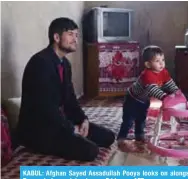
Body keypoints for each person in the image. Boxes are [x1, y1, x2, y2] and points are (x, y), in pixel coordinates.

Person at [17, 17, 115, 161]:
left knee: (108, 137)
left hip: (58, 121)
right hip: (40, 128)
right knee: (90, 151)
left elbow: (70, 99)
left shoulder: (65, 64)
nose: (75, 39)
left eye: (76, 35)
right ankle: (35, 143)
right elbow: (45, 107)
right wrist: (70, 129)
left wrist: (83, 120)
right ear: (56, 37)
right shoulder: (40, 63)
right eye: (70, 34)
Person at [117, 45, 181, 150]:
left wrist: (176, 92)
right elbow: (153, 89)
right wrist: (165, 97)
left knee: (141, 118)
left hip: (144, 100)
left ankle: (139, 136)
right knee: (128, 120)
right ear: (148, 64)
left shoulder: (163, 72)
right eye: (157, 61)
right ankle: (121, 138)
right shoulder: (147, 75)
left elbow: (169, 83)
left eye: (163, 60)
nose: (161, 63)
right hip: (132, 99)